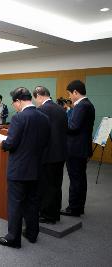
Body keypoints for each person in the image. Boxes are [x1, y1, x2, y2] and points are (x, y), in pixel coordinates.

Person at [0, 87, 50, 249]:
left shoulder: (19, 118)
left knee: (16, 204)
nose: (14, 107)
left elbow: (11, 143)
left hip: (19, 169)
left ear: (19, 101)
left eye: (14, 103)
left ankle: (13, 238)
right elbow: (45, 142)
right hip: (37, 168)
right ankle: (32, 234)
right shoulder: (44, 117)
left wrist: (2, 142)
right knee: (33, 202)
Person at [33, 86, 68, 224]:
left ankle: (47, 215)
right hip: (60, 153)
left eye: (35, 99)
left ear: (39, 96)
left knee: (46, 185)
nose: (36, 102)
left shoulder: (41, 110)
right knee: (56, 184)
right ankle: (55, 212)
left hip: (47, 154)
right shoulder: (61, 109)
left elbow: (39, 134)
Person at [60, 80, 95, 217]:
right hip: (82, 148)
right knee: (80, 178)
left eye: (69, 93)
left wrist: (60, 125)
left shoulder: (81, 106)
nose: (69, 97)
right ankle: (79, 207)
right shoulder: (88, 104)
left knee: (75, 179)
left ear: (75, 92)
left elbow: (73, 127)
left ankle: (73, 208)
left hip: (75, 149)